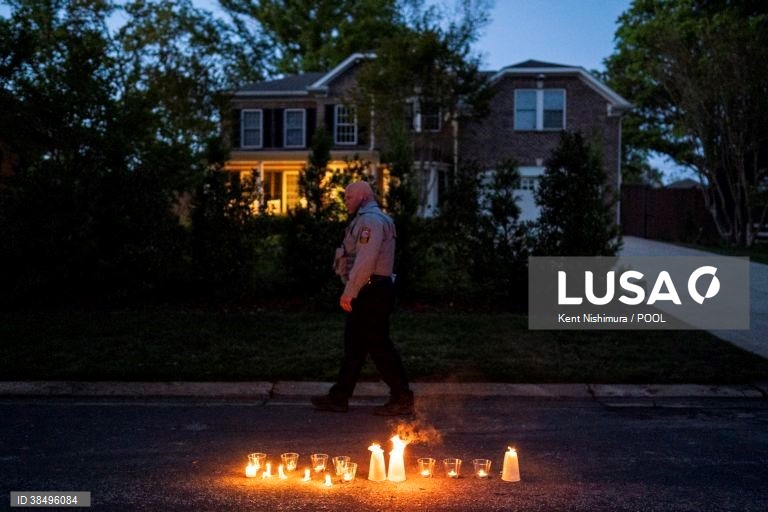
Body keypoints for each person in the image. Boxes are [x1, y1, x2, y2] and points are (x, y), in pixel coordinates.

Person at [311, 181, 414, 416]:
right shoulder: (371, 219)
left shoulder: (370, 221)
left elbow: (365, 260)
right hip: (373, 288)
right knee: (355, 345)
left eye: (349, 197)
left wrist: (350, 291)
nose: (345, 201)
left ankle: (402, 397)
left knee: (378, 345)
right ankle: (339, 397)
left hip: (371, 290)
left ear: (363, 197)